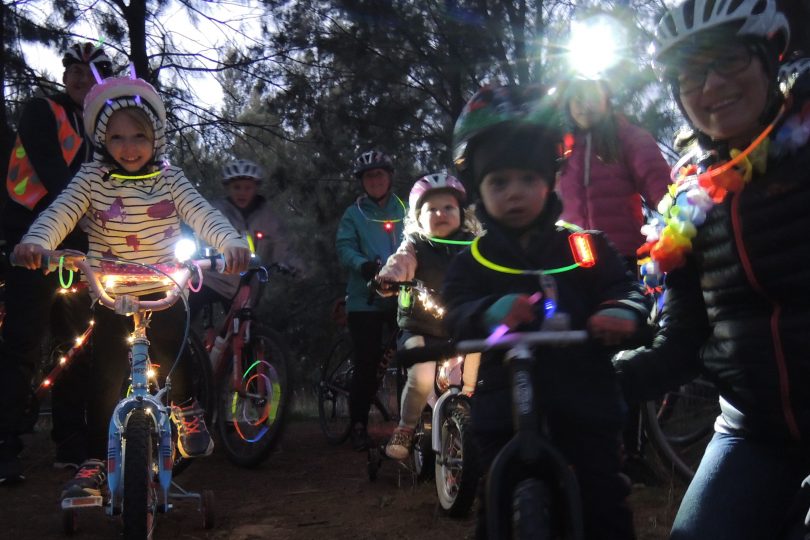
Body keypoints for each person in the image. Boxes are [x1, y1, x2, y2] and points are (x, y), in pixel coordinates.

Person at [612, 1, 810, 538]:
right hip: (752, 430)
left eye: (729, 60)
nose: (712, 83)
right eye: (692, 73)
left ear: (770, 57)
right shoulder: (686, 199)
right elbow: (682, 343)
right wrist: (604, 379)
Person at [12, 76, 251, 501]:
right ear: (102, 139)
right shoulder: (92, 178)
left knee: (172, 347)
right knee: (104, 373)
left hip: (163, 283)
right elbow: (62, 212)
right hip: (112, 288)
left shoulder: (170, 178)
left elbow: (202, 213)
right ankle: (95, 461)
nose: (129, 146)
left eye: (139, 135)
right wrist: (38, 241)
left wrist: (230, 242)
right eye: (117, 136)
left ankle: (184, 408)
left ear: (155, 136)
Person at [443, 85, 649, 539]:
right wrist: (484, 312)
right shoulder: (472, 260)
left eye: (528, 180)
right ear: (477, 188)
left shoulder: (584, 247)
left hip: (585, 400)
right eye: (499, 182)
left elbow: (627, 289)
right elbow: (452, 313)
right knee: (494, 499)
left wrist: (620, 311)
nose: (514, 193)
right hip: (501, 406)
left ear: (550, 180)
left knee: (604, 500)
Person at [0, 42, 113, 484]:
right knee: (22, 341)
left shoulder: (107, 132)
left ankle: (71, 441)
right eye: (73, 70)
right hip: (30, 239)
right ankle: (6, 443)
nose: (80, 79)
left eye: (91, 73)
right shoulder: (41, 110)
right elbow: (52, 171)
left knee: (78, 343)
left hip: (78, 247)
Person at [556, 75, 672, 479]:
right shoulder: (560, 148)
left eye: (592, 96)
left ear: (607, 97)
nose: (584, 105)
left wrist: (680, 224)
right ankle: (580, 448)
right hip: (568, 261)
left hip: (617, 258)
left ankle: (631, 451)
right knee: (574, 349)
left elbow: (662, 187)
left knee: (623, 349)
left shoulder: (628, 138)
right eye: (576, 98)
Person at [375, 172, 482, 460]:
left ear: (461, 213)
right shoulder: (415, 245)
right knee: (421, 375)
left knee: (476, 371)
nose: (441, 213)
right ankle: (406, 427)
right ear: (417, 218)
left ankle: (469, 420)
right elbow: (401, 263)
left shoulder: (476, 246)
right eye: (431, 209)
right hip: (419, 325)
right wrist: (389, 277)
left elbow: (494, 267)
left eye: (448, 207)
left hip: (461, 325)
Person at [335, 150, 405, 450]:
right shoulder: (354, 214)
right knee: (367, 362)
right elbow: (344, 246)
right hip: (365, 298)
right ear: (362, 182)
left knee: (416, 353)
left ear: (389, 177)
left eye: (379, 174)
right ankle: (359, 423)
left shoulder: (407, 209)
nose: (375, 180)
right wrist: (363, 265)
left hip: (402, 296)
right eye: (369, 176)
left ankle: (413, 421)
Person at [188, 158, 298, 319]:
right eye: (236, 187)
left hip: (243, 284)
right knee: (185, 315)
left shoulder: (265, 215)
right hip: (212, 279)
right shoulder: (217, 210)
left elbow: (280, 243)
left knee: (245, 328)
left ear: (255, 189)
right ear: (228, 188)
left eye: (248, 188)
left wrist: (292, 265)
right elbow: (203, 229)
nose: (242, 192)